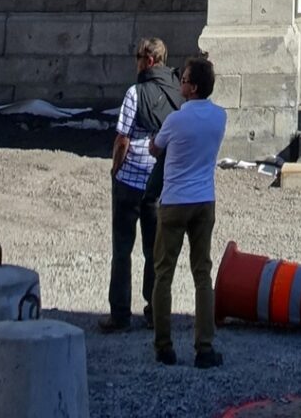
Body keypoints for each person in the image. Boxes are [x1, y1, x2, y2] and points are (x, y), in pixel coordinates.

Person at [143, 53, 226, 368]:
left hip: (175, 199)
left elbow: (156, 147)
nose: (180, 82)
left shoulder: (175, 119)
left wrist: (155, 141)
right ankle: (204, 347)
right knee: (202, 273)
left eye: (185, 79)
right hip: (204, 200)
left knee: (164, 273)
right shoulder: (220, 117)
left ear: (192, 88)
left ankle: (164, 346)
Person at [100, 36, 179, 332]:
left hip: (130, 181)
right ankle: (154, 312)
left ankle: (120, 314)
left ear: (148, 61)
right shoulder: (176, 93)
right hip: (159, 183)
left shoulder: (135, 93)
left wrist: (115, 168)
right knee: (154, 250)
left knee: (122, 249)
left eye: (137, 57)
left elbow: (122, 138)